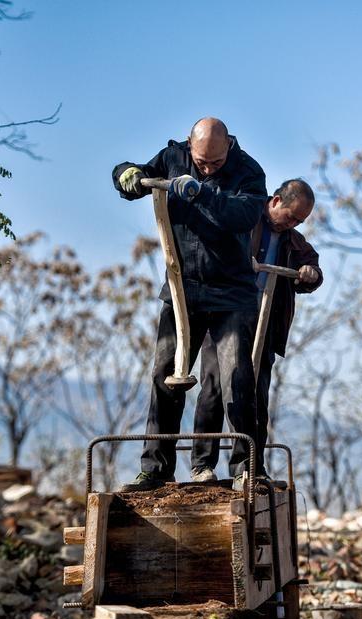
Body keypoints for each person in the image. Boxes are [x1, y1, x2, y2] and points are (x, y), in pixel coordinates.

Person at [112, 117, 267, 491]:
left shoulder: (248, 171)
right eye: (201, 162)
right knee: (165, 375)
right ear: (189, 146)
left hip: (231, 293)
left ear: (229, 144)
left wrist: (203, 192)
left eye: (215, 163)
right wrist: (125, 175)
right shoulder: (173, 157)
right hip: (182, 290)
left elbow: (243, 216)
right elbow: (137, 176)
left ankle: (248, 468)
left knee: (236, 380)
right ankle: (155, 469)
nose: (208, 167)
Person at [191, 178, 323, 482]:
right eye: (290, 216)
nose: (292, 223)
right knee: (214, 388)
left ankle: (248, 468)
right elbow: (211, 249)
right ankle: (202, 465)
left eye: (299, 221)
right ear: (275, 201)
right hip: (224, 318)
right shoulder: (244, 218)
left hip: (265, 325)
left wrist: (310, 274)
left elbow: (313, 269)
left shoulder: (293, 241)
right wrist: (238, 263)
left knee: (255, 397)